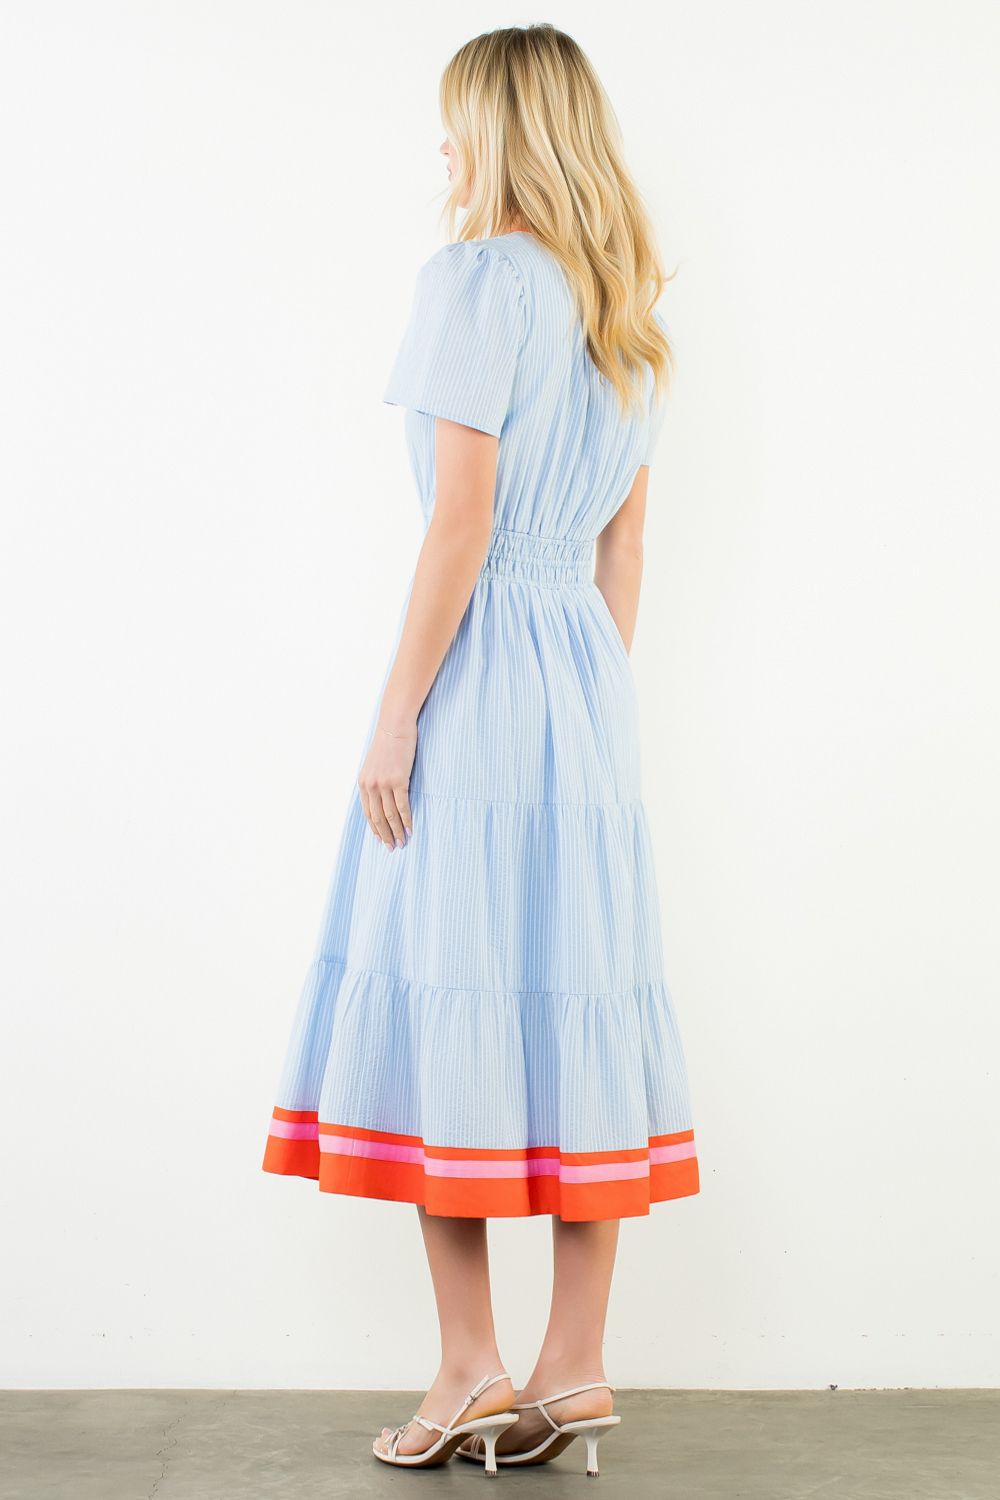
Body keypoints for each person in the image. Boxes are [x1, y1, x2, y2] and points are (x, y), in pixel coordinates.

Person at [262, 22, 700, 1478]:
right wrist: (584, 706)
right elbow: (623, 552)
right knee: (574, 990)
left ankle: (468, 1364)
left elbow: (459, 522)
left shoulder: (470, 283)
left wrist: (399, 712)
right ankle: (575, 1367)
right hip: (584, 681)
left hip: (478, 671)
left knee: (443, 987)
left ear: (498, 134)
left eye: (454, 127)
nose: (441, 153)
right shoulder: (623, 306)